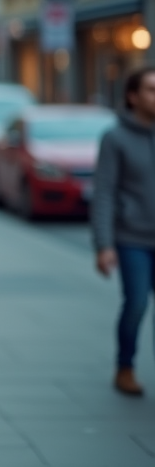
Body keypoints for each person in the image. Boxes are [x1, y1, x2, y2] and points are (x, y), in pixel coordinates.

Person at [93, 66, 155, 397]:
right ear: (133, 96)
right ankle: (125, 367)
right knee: (136, 304)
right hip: (132, 239)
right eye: (151, 89)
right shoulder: (115, 138)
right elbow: (104, 192)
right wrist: (104, 245)